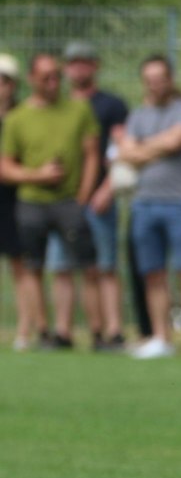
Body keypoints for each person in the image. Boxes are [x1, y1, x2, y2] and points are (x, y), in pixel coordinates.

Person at [0, 53, 101, 351]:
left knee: (88, 266)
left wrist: (83, 195)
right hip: (31, 202)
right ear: (32, 79)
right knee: (32, 267)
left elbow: (92, 153)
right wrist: (38, 176)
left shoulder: (79, 110)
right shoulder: (18, 119)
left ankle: (98, 333)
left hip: (70, 202)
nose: (53, 82)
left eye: (57, 75)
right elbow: (5, 166)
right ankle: (44, 332)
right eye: (46, 77)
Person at [121, 55, 181, 360]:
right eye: (149, 80)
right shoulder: (138, 115)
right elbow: (127, 154)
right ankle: (162, 337)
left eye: (160, 78)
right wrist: (154, 145)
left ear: (170, 79)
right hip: (144, 204)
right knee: (153, 274)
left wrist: (142, 146)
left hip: (179, 203)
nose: (155, 85)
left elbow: (177, 142)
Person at [53, 42, 127, 351]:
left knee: (103, 266)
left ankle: (111, 332)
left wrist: (107, 189)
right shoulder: (58, 106)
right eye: (73, 63)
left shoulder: (111, 105)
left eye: (84, 62)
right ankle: (62, 333)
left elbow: (122, 149)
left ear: (95, 66)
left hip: (99, 199)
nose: (78, 68)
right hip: (63, 200)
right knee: (62, 267)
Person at [0, 54, 28, 348]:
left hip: (14, 199)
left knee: (20, 267)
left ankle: (24, 330)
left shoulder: (22, 116)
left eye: (4, 81)